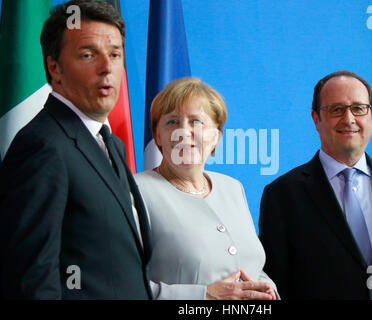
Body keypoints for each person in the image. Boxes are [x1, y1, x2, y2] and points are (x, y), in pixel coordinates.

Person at [0, 0, 152, 299]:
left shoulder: (112, 144)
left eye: (115, 54)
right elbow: (31, 280)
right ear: (54, 68)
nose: (107, 67)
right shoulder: (42, 146)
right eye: (88, 54)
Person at [259, 70, 372, 300]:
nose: (349, 119)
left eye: (358, 108)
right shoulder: (283, 193)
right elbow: (276, 285)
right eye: (336, 109)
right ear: (316, 119)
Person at [134, 77, 277, 300]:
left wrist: (268, 290)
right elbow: (119, 283)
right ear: (157, 136)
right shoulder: (135, 192)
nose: (184, 132)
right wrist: (205, 296)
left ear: (216, 137)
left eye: (196, 122)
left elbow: (252, 266)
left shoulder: (232, 188)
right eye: (172, 122)